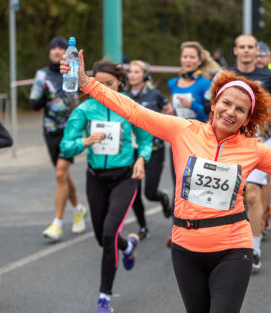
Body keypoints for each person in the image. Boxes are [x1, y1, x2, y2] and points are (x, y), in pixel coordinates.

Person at [61, 49, 271, 313]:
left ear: (248, 118)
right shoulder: (183, 130)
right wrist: (87, 82)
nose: (231, 112)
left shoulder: (253, 149)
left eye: (241, 109)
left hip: (232, 249)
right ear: (215, 104)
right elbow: (133, 111)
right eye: (227, 103)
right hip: (185, 248)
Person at [60, 61, 152, 313]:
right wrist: (84, 141)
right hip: (96, 177)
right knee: (103, 238)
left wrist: (142, 158)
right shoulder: (85, 109)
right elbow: (66, 146)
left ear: (120, 83)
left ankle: (104, 297)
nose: (103, 88)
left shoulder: (129, 107)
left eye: (109, 84)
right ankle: (128, 246)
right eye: (98, 83)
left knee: (110, 232)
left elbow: (146, 139)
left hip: (125, 176)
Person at [229, 34, 271, 271]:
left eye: (251, 47)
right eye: (242, 47)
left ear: (257, 51)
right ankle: (232, 242)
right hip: (230, 142)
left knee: (252, 195)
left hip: (259, 142)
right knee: (233, 197)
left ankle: (255, 248)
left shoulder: (268, 76)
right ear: (235, 50)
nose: (247, 51)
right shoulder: (226, 76)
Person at [30, 36, 86, 241]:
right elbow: (34, 105)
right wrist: (44, 94)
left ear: (66, 52)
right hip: (51, 130)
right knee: (62, 175)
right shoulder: (42, 74)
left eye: (60, 48)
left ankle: (57, 223)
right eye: (52, 47)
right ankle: (79, 209)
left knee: (61, 173)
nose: (56, 50)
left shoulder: (73, 70)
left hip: (71, 129)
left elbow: (85, 95)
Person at [165, 41, 213, 226]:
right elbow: (175, 111)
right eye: (185, 56)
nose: (188, 60)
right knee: (177, 178)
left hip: (198, 137)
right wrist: (171, 111)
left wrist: (191, 105)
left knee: (196, 180)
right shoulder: (172, 83)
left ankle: (199, 218)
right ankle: (179, 221)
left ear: (199, 60)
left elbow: (208, 113)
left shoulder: (205, 84)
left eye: (192, 57)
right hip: (178, 135)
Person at [127, 60, 171, 240]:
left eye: (137, 72)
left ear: (145, 75)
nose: (132, 75)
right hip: (131, 150)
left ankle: (162, 199)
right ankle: (143, 226)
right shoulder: (124, 97)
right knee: (133, 191)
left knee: (149, 192)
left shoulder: (156, 96)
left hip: (154, 149)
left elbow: (169, 114)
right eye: (130, 71)